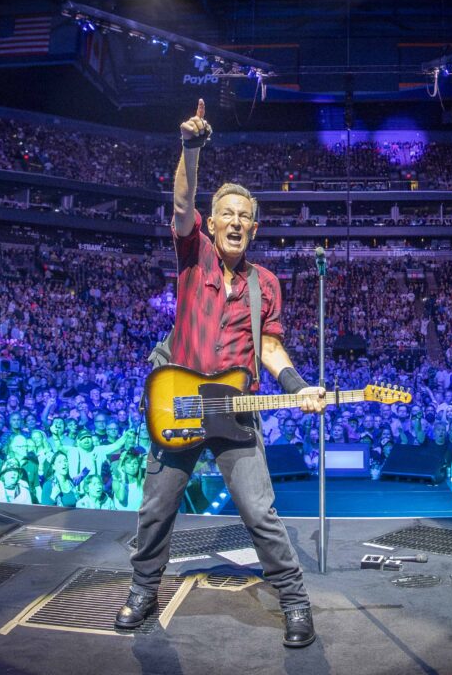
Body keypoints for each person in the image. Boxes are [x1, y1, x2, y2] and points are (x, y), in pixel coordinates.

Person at [117, 100, 325, 649]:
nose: (234, 222)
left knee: (259, 511)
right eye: (226, 214)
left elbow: (272, 348)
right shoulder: (194, 256)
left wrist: (298, 389)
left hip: (234, 410)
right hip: (179, 401)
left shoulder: (267, 285)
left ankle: (296, 602)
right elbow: (181, 201)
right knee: (157, 507)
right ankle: (143, 591)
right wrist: (190, 147)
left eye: (244, 217)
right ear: (213, 224)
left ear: (254, 229)